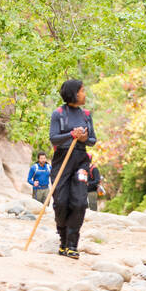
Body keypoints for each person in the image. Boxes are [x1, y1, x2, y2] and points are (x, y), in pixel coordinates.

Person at [49, 78, 96, 258]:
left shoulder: (86, 114)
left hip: (80, 160)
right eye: (82, 90)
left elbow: (92, 140)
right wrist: (71, 134)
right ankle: (62, 240)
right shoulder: (58, 113)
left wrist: (84, 138)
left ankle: (72, 244)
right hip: (62, 159)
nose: (84, 94)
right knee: (61, 201)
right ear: (74, 93)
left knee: (79, 202)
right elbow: (54, 138)